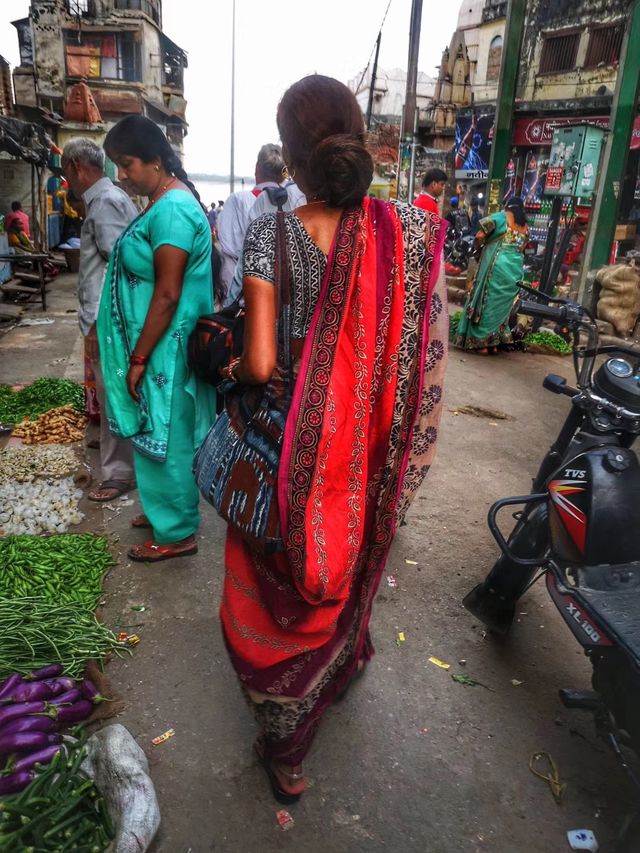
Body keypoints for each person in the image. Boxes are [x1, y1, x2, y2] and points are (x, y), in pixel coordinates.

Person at [216, 74, 448, 802]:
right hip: (366, 449)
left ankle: (285, 749)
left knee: (268, 594)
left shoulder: (272, 231)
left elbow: (257, 363)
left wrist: (226, 361)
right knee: (342, 568)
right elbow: (423, 346)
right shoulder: (407, 231)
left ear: (289, 154)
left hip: (290, 452)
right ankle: (335, 670)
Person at [96, 115, 216, 562]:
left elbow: (167, 293)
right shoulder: (164, 202)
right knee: (155, 431)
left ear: (156, 160)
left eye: (126, 165)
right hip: (160, 348)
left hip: (166, 350)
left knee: (167, 434)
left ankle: (178, 531)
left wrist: (140, 355)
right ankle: (161, 507)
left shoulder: (173, 210)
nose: (121, 175)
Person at [62, 137, 138, 501]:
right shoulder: (106, 200)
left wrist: (96, 325)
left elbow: (116, 267)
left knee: (114, 395)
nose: (67, 182)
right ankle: (118, 462)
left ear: (77, 168)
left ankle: (119, 472)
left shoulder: (105, 201)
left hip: (107, 322)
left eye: (66, 173)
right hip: (107, 320)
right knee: (112, 394)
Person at [454, 196, 529, 353]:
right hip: (514, 270)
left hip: (497, 267)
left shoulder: (500, 217)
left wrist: (479, 248)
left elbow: (479, 235)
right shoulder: (524, 226)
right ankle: (493, 343)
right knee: (501, 307)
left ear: (506, 205)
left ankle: (481, 344)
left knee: (486, 303)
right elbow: (522, 247)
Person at [217, 144, 285, 299]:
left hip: (246, 291)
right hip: (283, 294)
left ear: (257, 168)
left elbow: (229, 252)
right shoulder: (295, 200)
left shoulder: (238, 200)